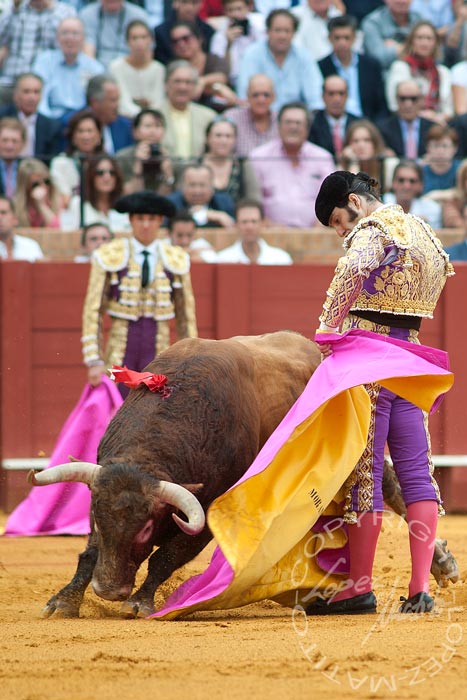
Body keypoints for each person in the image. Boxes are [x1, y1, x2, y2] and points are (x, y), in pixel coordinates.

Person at [309, 170, 453, 615]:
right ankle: (419, 588)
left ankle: (360, 586)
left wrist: (329, 325)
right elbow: (442, 273)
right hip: (409, 359)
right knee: (416, 474)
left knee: (365, 474)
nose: (340, 231)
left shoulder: (373, 229)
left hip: (368, 361)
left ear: (355, 200)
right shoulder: (423, 230)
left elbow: (353, 267)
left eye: (338, 220)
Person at [81, 190, 198, 397]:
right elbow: (93, 310)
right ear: (131, 220)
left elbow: (185, 316)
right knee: (116, 405)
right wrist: (94, 360)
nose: (146, 225)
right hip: (119, 350)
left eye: (151, 219)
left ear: (160, 221)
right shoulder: (109, 255)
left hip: (159, 350)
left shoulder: (176, 258)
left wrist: (189, 360)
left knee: (154, 405)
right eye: (140, 218)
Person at [249, 102, 335, 227]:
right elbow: (252, 202)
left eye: (298, 123)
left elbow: (332, 200)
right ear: (278, 126)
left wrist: (320, 227)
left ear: (307, 128)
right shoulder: (259, 157)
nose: (293, 127)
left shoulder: (322, 158)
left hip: (316, 235)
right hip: (270, 234)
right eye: (288, 122)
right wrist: (269, 226)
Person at [236, 9, 323, 112]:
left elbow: (315, 98)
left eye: (287, 31)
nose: (282, 36)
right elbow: (244, 96)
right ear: (267, 31)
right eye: (277, 30)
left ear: (294, 33)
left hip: (295, 119)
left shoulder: (304, 56)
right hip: (261, 117)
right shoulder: (252, 54)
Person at [318, 14, 389, 122]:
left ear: (355, 38)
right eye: (337, 38)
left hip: (367, 125)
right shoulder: (320, 67)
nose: (342, 43)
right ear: (329, 38)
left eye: (346, 38)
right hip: (334, 125)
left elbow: (381, 105)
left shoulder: (371, 65)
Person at [32, 17, 105, 121]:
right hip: (51, 118)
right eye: (65, 33)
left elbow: (98, 102)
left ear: (83, 38)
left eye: (75, 34)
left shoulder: (95, 68)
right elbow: (39, 96)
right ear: (57, 38)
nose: (70, 38)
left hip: (82, 121)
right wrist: (46, 119)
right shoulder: (44, 61)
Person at [0, 0, 76, 98]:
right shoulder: (15, 10)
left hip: (47, 85)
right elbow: (2, 43)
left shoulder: (65, 13)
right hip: (11, 82)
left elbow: (71, 52)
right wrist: (14, 9)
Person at [385, 21, 453, 125]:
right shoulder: (400, 67)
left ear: (436, 43)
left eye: (429, 38)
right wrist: (424, 117)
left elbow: (448, 111)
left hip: (437, 126)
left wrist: (435, 117)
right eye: (420, 38)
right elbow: (394, 105)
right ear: (411, 42)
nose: (424, 43)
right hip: (407, 124)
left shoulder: (443, 72)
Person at [170, 20, 237, 111]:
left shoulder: (214, 60)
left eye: (185, 39)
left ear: (199, 39)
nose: (181, 44)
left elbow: (222, 77)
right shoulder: (175, 67)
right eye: (175, 41)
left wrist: (202, 81)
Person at [158, 61, 217, 162]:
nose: (182, 87)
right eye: (177, 81)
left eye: (188, 82)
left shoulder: (208, 116)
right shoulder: (153, 115)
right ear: (166, 84)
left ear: (195, 86)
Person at [108, 20, 166, 119]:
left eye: (143, 37)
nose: (139, 42)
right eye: (134, 38)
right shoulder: (116, 67)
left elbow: (158, 102)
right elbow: (123, 103)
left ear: (151, 40)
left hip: (153, 120)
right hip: (125, 119)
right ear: (127, 41)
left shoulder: (159, 69)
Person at [0, 73, 63, 163]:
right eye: (26, 91)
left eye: (36, 92)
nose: (32, 97)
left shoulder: (52, 127)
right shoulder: (2, 117)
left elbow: (51, 161)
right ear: (15, 95)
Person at [50, 109, 104, 206]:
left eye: (90, 131)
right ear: (72, 137)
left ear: (99, 135)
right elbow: (64, 200)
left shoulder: (107, 163)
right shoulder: (60, 163)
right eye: (80, 131)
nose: (85, 136)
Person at [200, 118, 261, 202]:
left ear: (234, 140)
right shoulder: (195, 165)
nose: (223, 141)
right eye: (218, 135)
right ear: (208, 138)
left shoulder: (243, 165)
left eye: (228, 136)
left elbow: (254, 199)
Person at [216, 197, 292, 264]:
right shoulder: (223, 260)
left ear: (263, 223)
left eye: (254, 221)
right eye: (244, 222)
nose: (249, 227)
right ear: (236, 224)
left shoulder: (280, 259)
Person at [209, 0, 266, 89]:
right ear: (224, 11)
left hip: (260, 82)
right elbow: (222, 73)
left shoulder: (260, 29)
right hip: (232, 85)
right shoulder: (219, 38)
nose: (235, 14)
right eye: (230, 10)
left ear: (248, 8)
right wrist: (228, 45)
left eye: (239, 9)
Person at [116, 109, 175, 195]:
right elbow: (126, 195)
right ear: (135, 131)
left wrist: (167, 173)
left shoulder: (170, 157)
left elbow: (168, 198)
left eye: (158, 126)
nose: (153, 131)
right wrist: (138, 165)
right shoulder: (122, 157)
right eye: (148, 126)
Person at [62, 154, 129, 230]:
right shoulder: (78, 204)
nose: (107, 177)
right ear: (91, 176)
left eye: (112, 172)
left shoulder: (125, 207)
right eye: (100, 173)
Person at [79, 0, 149, 68]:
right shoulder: (87, 14)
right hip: (98, 68)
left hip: (129, 66)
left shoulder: (138, 15)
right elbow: (88, 52)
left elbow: (147, 50)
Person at [223, 74, 279, 157]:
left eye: (266, 95)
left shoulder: (281, 121)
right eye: (255, 95)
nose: (261, 100)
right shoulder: (232, 117)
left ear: (274, 97)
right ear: (247, 96)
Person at [377, 80, 436, 159]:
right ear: (396, 99)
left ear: (422, 100)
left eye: (413, 99)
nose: (408, 104)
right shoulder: (382, 129)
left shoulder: (433, 128)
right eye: (403, 99)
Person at [168, 163, 235, 227]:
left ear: (212, 187)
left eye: (202, 185)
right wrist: (203, 214)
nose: (197, 191)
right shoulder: (171, 203)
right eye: (192, 185)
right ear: (182, 187)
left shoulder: (224, 202)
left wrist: (218, 216)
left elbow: (235, 227)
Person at [361, 0, 423, 71]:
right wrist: (415, 49)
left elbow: (432, 53)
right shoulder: (372, 22)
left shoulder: (419, 19)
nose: (402, 1)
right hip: (385, 75)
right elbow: (378, 59)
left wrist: (396, 47)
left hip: (418, 72)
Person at [308, 75, 358, 160]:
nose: (337, 99)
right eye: (331, 94)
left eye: (341, 93)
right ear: (323, 96)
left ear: (347, 96)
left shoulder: (358, 124)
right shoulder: (311, 124)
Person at [383, 158, 443, 229]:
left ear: (421, 185)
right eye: (401, 180)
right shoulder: (381, 204)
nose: (406, 186)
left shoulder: (432, 209)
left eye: (412, 181)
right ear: (393, 183)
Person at [154, 0, 215, 66]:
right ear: (175, 2)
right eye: (184, 2)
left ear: (201, 4)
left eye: (194, 3)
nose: (189, 8)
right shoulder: (160, 32)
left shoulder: (208, 31)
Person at [85, 75, 134, 155]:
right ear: (95, 102)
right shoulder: (74, 124)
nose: (117, 105)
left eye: (118, 99)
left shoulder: (126, 126)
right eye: (113, 100)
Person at [13, 158, 65, 228]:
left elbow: (56, 228)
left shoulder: (58, 199)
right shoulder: (15, 206)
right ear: (25, 187)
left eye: (46, 182)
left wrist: (41, 205)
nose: (43, 187)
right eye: (35, 184)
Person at [339, 118, 389, 186]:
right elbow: (353, 192)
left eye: (367, 140)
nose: (361, 146)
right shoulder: (340, 169)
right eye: (355, 141)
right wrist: (354, 162)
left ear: (375, 144)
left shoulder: (387, 165)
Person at [0, 195, 44, 261]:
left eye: (3, 213)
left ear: (15, 218)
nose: (0, 217)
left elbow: (42, 270)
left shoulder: (30, 246)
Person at [421, 124, 461, 193]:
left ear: (455, 148)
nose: (440, 151)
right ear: (427, 148)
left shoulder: (462, 170)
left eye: (445, 146)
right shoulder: (420, 172)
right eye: (436, 146)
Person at [0, 118, 26, 198]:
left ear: (23, 144)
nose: (9, 146)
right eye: (4, 140)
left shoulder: (28, 169)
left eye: (14, 141)